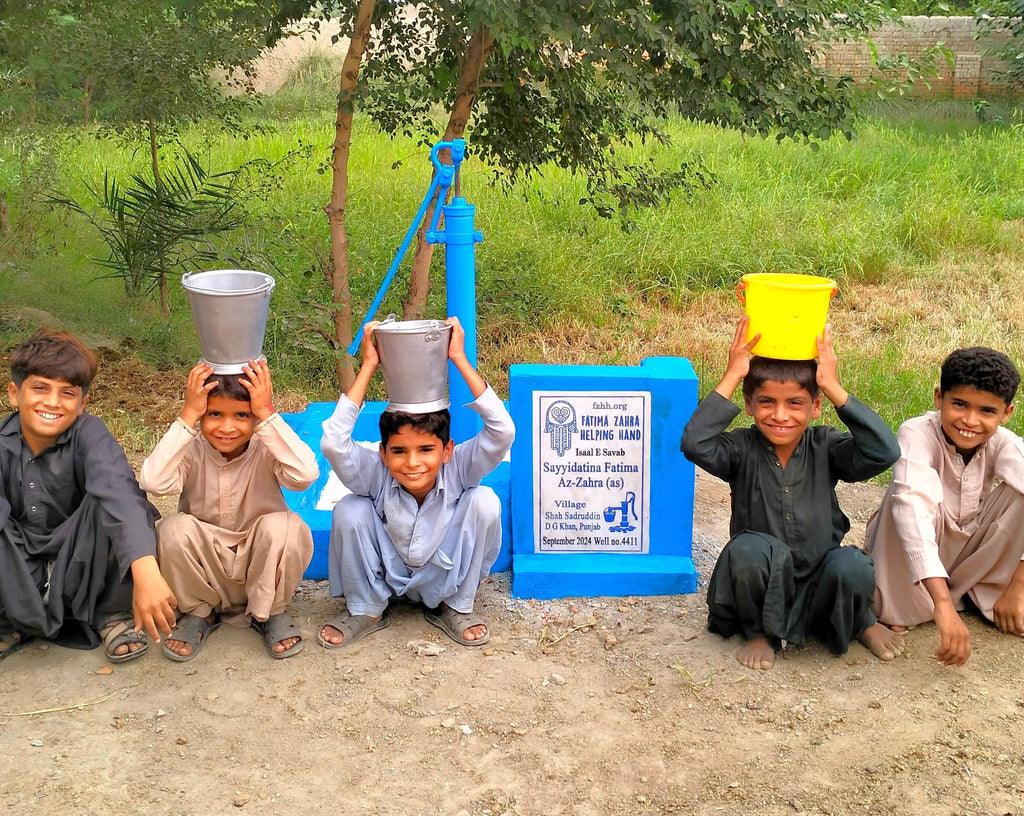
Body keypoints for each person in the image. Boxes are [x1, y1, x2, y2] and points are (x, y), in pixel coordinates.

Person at [681, 316, 905, 670]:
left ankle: (859, 622)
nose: (780, 415)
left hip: (821, 582)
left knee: (852, 564)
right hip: (761, 579)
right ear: (749, 404)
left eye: (795, 404)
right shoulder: (740, 449)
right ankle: (758, 632)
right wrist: (734, 372)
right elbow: (695, 444)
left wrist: (832, 385)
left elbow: (884, 452)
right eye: (766, 402)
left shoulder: (825, 445)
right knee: (748, 549)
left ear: (815, 406)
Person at [319, 316, 514, 649]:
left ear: (447, 450)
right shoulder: (375, 472)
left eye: (426, 449)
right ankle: (366, 610)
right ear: (382, 452)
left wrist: (459, 359)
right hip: (388, 570)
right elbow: (333, 443)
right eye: (399, 451)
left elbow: (503, 432)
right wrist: (369, 365)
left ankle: (453, 606)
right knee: (350, 509)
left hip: (443, 573)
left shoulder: (460, 467)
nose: (412, 463)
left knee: (485, 501)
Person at [0, 329, 176, 663]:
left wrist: (147, 572)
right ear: (14, 393)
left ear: (82, 404)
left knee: (122, 506)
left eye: (67, 393)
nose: (52, 402)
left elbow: (118, 493)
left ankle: (110, 612)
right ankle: (11, 620)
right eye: (40, 388)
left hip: (82, 556)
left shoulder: (90, 434)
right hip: (21, 561)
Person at [139, 359, 318, 661]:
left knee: (288, 526)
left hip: (258, 564)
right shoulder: (191, 449)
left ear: (256, 417)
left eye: (242, 415)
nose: (226, 427)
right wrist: (187, 416)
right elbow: (153, 481)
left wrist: (267, 414)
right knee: (172, 529)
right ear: (201, 414)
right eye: (214, 414)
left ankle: (269, 612)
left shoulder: (266, 446)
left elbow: (305, 475)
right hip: (207, 568)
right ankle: (199, 613)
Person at [864, 346, 1024, 667]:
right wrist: (942, 605)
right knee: (905, 498)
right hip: (907, 561)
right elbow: (913, 513)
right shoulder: (916, 434)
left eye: (987, 411)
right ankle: (911, 603)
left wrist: (1019, 587)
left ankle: (983, 595)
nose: (970, 420)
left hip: (967, 562)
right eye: (960, 404)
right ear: (939, 398)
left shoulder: (1006, 443)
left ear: (1006, 413)